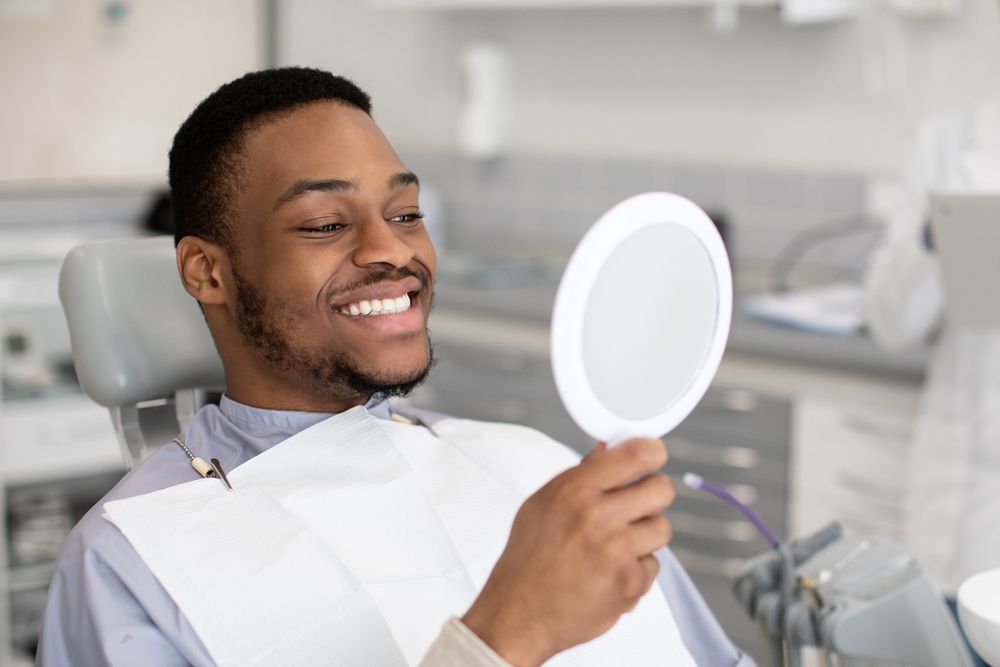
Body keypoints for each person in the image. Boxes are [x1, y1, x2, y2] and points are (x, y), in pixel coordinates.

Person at [38, 68, 752, 666]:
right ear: (208, 272)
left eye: (406, 214)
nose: (393, 251)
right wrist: (504, 636)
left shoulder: (534, 466)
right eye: (325, 224)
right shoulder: (131, 562)